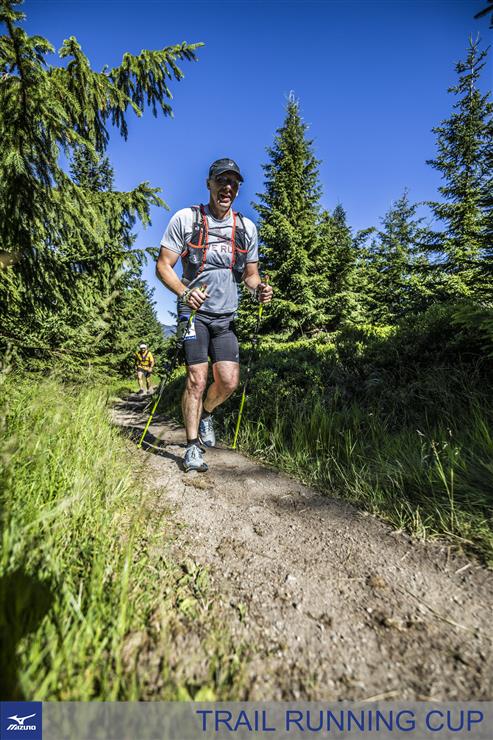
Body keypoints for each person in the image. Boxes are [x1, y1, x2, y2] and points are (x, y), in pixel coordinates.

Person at [156, 158, 273, 472]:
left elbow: (250, 275)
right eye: (221, 180)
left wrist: (259, 289)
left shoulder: (246, 228)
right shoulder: (187, 219)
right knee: (197, 379)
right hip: (193, 312)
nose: (227, 187)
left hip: (225, 316)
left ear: (238, 189)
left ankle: (207, 413)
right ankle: (192, 446)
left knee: (229, 382)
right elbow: (163, 266)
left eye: (233, 182)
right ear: (209, 184)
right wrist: (184, 292)